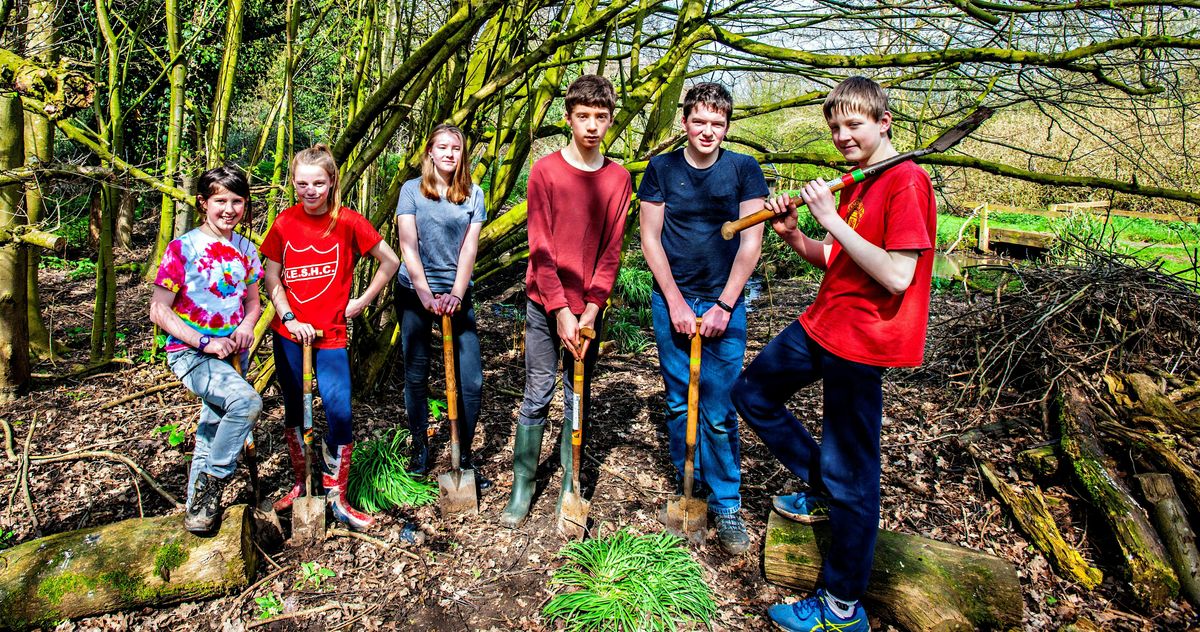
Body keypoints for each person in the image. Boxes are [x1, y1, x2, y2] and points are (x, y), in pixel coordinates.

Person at [731, 76, 937, 631]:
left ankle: (842, 607)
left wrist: (831, 218)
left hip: (864, 340)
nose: (843, 135)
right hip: (823, 323)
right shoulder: (862, 179)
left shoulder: (907, 183)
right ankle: (819, 487)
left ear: (883, 121)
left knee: (854, 473)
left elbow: (897, 274)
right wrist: (798, 236)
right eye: (836, 126)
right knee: (752, 393)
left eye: (854, 125)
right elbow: (844, 259)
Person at [639, 82, 768, 555]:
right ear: (685, 122)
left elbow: (751, 241)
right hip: (672, 298)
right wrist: (673, 299)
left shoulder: (744, 170)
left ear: (727, 126)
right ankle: (686, 478)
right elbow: (651, 239)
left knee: (716, 409)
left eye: (717, 123)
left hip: (725, 304)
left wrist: (725, 305)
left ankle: (727, 500)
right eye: (700, 121)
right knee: (678, 402)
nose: (708, 130)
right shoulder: (662, 168)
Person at [499, 74, 632, 528]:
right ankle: (523, 486)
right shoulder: (545, 171)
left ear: (611, 120)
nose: (592, 126)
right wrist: (559, 310)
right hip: (544, 304)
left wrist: (591, 309)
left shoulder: (618, 179)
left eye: (601, 117)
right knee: (538, 391)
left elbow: (612, 250)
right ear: (568, 119)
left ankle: (571, 484)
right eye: (583, 117)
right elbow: (540, 246)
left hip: (590, 310)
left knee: (578, 392)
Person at [262, 144, 400, 530]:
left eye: (318, 183)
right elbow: (272, 277)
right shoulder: (284, 223)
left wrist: (362, 301)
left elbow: (391, 261)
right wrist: (289, 317)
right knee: (293, 408)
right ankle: (300, 484)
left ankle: (337, 497)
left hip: (332, 336)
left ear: (332, 182)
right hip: (289, 335)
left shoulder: (349, 222)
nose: (310, 190)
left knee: (340, 412)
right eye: (302, 183)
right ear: (293, 183)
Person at [149, 165, 263, 534]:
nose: (229, 209)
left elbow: (253, 303)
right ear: (203, 203)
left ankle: (197, 511)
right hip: (192, 353)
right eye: (220, 201)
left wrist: (246, 327)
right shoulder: (182, 248)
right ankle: (213, 483)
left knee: (213, 428)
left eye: (237, 201)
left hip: (232, 353)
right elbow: (158, 308)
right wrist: (202, 341)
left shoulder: (246, 249)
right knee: (246, 403)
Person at [394, 124, 489, 489]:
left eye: (456, 148)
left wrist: (456, 294)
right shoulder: (411, 192)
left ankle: (462, 453)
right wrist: (425, 295)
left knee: (472, 379)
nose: (450, 154)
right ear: (430, 152)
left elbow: (469, 249)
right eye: (443, 147)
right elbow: (408, 246)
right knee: (417, 374)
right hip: (415, 294)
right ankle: (419, 448)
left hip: (457, 294)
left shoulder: (474, 194)